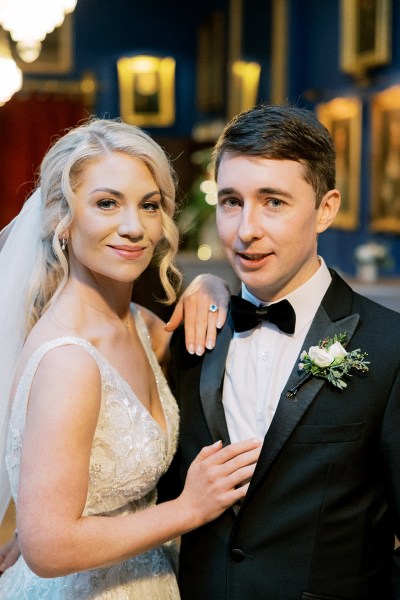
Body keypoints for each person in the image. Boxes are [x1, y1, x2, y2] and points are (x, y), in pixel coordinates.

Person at [0, 118, 262, 598]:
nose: (133, 227)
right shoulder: (70, 360)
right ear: (62, 217)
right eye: (106, 203)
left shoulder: (139, 324)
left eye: (149, 205)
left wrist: (211, 285)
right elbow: (48, 547)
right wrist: (188, 508)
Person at [167, 104, 400, 599]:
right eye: (231, 201)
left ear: (326, 209)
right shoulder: (191, 335)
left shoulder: (389, 346)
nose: (245, 229)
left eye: (273, 201)